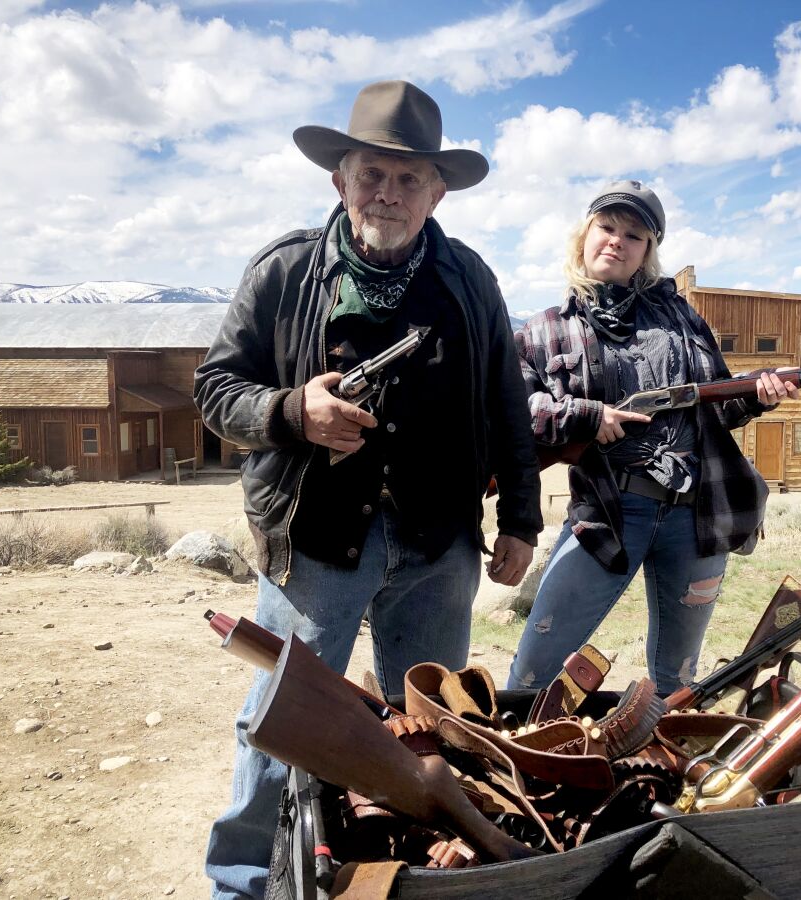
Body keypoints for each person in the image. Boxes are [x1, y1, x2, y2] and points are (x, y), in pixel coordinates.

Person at [194, 80, 542, 899]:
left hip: (438, 544)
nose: (387, 193)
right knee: (279, 726)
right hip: (317, 540)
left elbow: (507, 405)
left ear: (437, 190)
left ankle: (417, 876)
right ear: (339, 180)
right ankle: (240, 884)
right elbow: (215, 390)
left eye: (407, 178)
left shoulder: (469, 279)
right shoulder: (284, 271)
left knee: (433, 728)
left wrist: (521, 517)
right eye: (371, 175)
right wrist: (292, 411)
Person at [507, 181, 797, 696]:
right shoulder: (543, 330)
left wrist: (760, 392)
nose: (617, 241)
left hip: (696, 515)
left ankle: (661, 767)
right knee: (532, 674)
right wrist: (585, 416)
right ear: (585, 236)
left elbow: (719, 405)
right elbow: (515, 411)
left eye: (634, 235)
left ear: (647, 253)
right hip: (608, 513)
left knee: (676, 680)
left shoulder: (682, 318)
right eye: (608, 228)